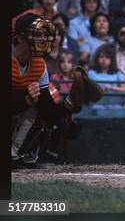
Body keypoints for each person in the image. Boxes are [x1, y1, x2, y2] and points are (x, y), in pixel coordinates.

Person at [11, 14, 103, 168]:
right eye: (38, 34)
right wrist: (25, 101)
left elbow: (48, 114)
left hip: (15, 110)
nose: (43, 40)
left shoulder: (39, 66)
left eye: (45, 35)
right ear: (20, 38)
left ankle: (16, 156)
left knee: (42, 107)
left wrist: (71, 101)